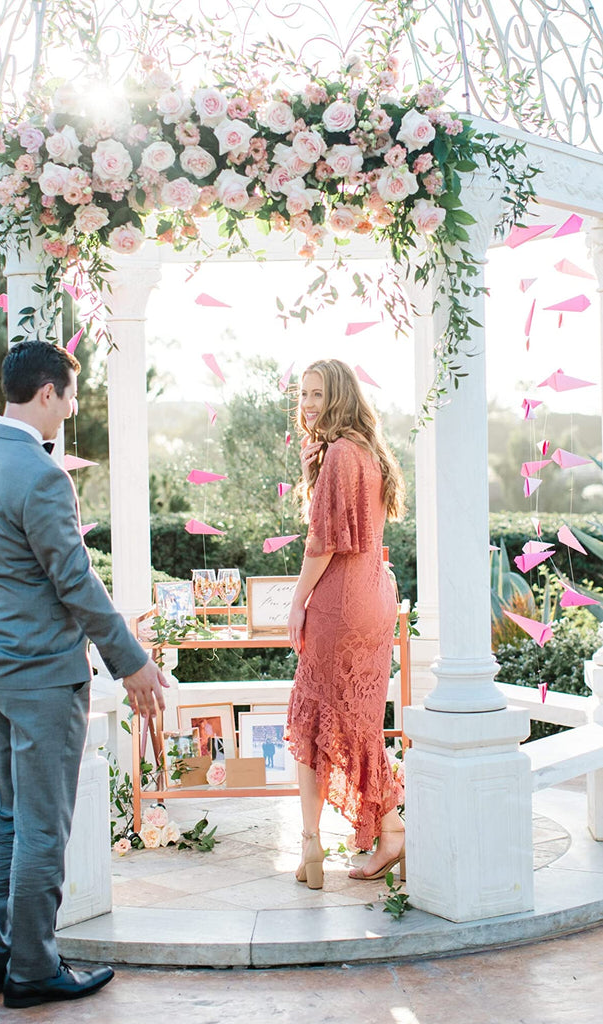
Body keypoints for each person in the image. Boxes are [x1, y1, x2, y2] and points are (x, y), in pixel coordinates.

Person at [0, 340, 168, 1008]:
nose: (70, 409)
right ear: (46, 392)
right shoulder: (42, 475)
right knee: (43, 826)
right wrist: (131, 661)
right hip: (39, 673)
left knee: (6, 818)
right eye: (69, 396)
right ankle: (32, 970)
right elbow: (73, 580)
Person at [286, 359, 406, 890]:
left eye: (317, 394)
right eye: (304, 394)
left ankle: (323, 843)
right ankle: (384, 827)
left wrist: (297, 600)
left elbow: (323, 542)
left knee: (315, 721)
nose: (308, 404)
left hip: (341, 601)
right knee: (354, 720)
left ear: (339, 396)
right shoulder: (369, 451)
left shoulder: (339, 453)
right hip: (376, 596)